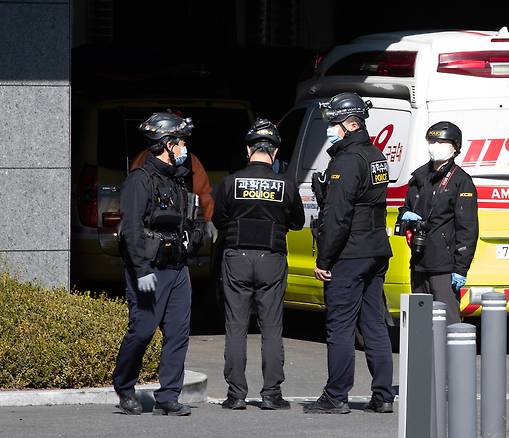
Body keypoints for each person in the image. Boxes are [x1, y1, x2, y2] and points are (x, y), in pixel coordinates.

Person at [304, 92, 395, 414]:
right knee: (373, 324)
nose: (330, 129)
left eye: (334, 123)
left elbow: (337, 216)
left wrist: (324, 260)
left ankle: (336, 396)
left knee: (340, 326)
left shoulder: (347, 160)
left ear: (351, 124)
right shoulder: (374, 155)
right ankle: (383, 395)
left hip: (350, 253)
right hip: (374, 250)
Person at [113, 112, 205, 416]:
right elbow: (132, 231)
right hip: (149, 270)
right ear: (167, 143)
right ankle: (124, 387)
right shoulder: (139, 181)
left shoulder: (179, 180)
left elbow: (191, 219)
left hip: (178, 269)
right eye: (180, 142)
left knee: (178, 333)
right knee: (142, 331)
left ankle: (168, 396)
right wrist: (140, 271)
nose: (184, 148)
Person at [213, 118, 304, 410]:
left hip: (237, 258)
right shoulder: (286, 185)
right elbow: (297, 221)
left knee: (236, 327)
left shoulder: (230, 182)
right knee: (272, 327)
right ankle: (271, 394)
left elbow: (219, 220)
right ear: (275, 152)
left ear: (248, 149)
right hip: (271, 260)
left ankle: (236, 394)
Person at [397, 121, 479, 325]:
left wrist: (461, 268)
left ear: (455, 147)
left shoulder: (461, 181)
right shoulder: (419, 176)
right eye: (432, 141)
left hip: (444, 265)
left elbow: (467, 229)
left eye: (442, 142)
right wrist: (406, 216)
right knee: (420, 323)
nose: (435, 145)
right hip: (419, 259)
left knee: (448, 321)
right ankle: (425, 358)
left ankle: (453, 358)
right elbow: (406, 208)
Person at [130, 110, 218, 244]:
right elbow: (132, 198)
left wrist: (209, 220)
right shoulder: (142, 164)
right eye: (181, 140)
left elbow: (204, 193)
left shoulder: (191, 162)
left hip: (180, 234)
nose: (183, 146)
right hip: (151, 237)